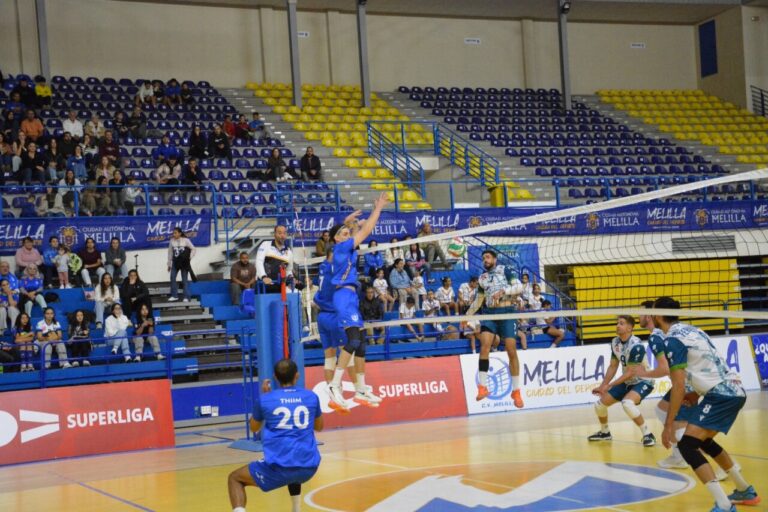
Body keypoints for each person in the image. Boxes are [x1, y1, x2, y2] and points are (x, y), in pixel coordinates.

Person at [653, 296, 761, 511]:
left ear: (658, 314)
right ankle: (744, 490)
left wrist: (668, 425)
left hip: (720, 394)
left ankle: (723, 504)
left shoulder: (672, 340)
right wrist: (696, 392)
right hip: (734, 389)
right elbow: (707, 362)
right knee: (703, 441)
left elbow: (678, 385)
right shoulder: (694, 330)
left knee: (687, 445)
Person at [227, 359, 322, 512]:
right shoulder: (311, 396)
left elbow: (254, 428)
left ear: (275, 378)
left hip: (279, 469)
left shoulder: (266, 399)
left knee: (235, 478)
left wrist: (265, 399)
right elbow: (319, 427)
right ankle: (296, 509)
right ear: (297, 376)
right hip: (309, 467)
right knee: (294, 458)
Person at [326, 192, 388, 411]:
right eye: (344, 233)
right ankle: (334, 386)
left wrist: (348, 224)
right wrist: (378, 208)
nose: (348, 233)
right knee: (352, 341)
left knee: (361, 343)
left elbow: (350, 233)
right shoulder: (341, 247)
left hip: (350, 296)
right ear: (338, 238)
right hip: (343, 295)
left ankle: (360, 389)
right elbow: (365, 231)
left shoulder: (345, 248)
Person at [588, 315, 656, 446]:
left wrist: (610, 385)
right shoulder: (615, 342)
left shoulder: (636, 345)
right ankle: (605, 432)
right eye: (617, 323)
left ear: (630, 328)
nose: (618, 325)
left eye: (622, 323)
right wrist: (603, 386)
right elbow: (613, 366)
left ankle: (648, 434)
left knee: (627, 403)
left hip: (643, 380)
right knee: (599, 405)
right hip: (627, 381)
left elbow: (631, 372)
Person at [470, 250, 525, 407]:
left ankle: (516, 391)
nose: (485, 260)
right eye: (483, 258)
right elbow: (478, 301)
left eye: (487, 257)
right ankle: (482, 387)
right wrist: (467, 315)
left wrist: (503, 291)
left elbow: (519, 287)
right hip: (489, 314)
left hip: (507, 312)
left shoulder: (504, 270)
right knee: (484, 347)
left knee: (511, 349)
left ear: (495, 259)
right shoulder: (482, 278)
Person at [255, 225, 296, 294]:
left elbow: (288, 270)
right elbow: (259, 262)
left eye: (284, 233)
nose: (282, 235)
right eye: (279, 233)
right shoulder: (265, 245)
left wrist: (291, 278)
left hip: (280, 288)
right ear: (274, 234)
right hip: (264, 285)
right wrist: (263, 277)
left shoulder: (289, 252)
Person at [168, 227, 196, 302]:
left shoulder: (186, 240)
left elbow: (193, 248)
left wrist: (189, 257)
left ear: (180, 233)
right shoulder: (171, 241)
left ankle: (186, 297)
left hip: (184, 262)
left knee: (184, 280)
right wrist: (169, 264)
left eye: (175, 233)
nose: (174, 234)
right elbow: (170, 252)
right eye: (173, 233)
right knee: (172, 277)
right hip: (175, 262)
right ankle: (174, 295)